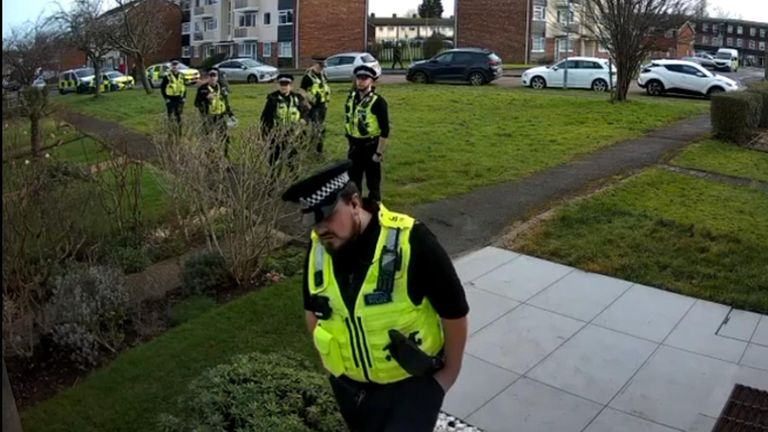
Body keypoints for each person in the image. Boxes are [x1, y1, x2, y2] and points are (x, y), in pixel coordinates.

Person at [281, 160, 469, 432]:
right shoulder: (319, 247)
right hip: (351, 390)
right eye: (312, 221)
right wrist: (333, 370)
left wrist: (445, 379)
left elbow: (455, 312)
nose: (320, 229)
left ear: (355, 203)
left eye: (327, 215)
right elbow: (313, 310)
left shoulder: (411, 240)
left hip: (410, 387)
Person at [344, 65, 389, 203]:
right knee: (353, 183)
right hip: (354, 146)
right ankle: (357, 213)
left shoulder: (378, 102)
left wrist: (379, 153)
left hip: (371, 146)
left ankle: (376, 212)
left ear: (372, 81)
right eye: (358, 78)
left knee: (373, 183)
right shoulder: (351, 98)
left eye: (364, 78)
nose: (360, 81)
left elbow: (385, 130)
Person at [261, 73, 307, 167]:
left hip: (293, 134)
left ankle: (292, 177)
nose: (284, 87)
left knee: (292, 161)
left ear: (291, 86)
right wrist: (265, 135)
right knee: (273, 161)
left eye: (286, 85)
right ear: (278, 85)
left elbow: (306, 113)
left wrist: (304, 120)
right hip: (277, 135)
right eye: (282, 84)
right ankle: (273, 179)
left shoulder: (297, 98)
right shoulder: (272, 100)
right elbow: (265, 118)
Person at [194, 69, 230, 157]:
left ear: (217, 78)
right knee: (209, 137)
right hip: (208, 116)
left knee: (225, 137)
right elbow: (196, 103)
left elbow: (225, 102)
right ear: (208, 77)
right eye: (211, 76)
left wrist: (230, 113)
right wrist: (206, 98)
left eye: (214, 76)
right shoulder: (203, 89)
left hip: (220, 116)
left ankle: (225, 154)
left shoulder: (221, 87)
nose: (212, 78)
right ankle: (209, 155)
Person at [300, 56, 331, 155]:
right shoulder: (307, 77)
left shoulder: (323, 75)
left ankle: (315, 149)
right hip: (312, 106)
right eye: (320, 66)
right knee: (317, 128)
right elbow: (301, 90)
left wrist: (326, 103)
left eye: (323, 66)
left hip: (322, 105)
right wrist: (307, 100)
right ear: (315, 64)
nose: (322, 68)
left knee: (320, 127)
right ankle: (316, 150)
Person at [160, 59, 187, 134]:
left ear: (179, 66)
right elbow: (162, 88)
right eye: (173, 65)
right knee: (171, 117)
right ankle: (171, 133)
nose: (175, 66)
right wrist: (166, 98)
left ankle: (179, 133)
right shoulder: (167, 77)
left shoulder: (181, 76)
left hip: (179, 99)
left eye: (176, 64)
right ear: (171, 66)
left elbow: (184, 87)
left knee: (179, 116)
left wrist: (184, 97)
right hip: (170, 99)